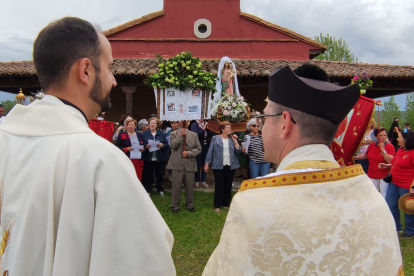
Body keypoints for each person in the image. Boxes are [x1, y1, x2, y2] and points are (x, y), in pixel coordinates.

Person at [0, 17, 175, 275]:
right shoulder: (101, 161)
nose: (114, 81)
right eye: (108, 67)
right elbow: (143, 262)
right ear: (85, 70)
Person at [202, 64, 402, 275]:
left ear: (285, 123)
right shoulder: (375, 202)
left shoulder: (253, 206)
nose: (260, 127)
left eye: (264, 118)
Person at [380, 129, 414, 239]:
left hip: (406, 185)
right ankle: (396, 227)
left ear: (406, 139)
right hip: (394, 182)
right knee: (390, 204)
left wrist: (413, 186)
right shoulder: (400, 149)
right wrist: (387, 166)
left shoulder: (413, 153)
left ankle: (410, 231)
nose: (397, 139)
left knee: (407, 207)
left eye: (400, 137)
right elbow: (396, 163)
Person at [204, 121, 240, 213]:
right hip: (218, 165)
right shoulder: (215, 138)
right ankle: (217, 205)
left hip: (231, 165)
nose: (230, 129)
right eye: (228, 128)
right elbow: (210, 151)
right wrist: (207, 163)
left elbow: (238, 151)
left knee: (228, 185)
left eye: (230, 127)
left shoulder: (232, 138)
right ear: (222, 129)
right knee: (219, 185)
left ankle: (226, 203)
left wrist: (236, 141)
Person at [167, 121, 201, 213]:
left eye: (186, 122)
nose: (184, 123)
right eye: (182, 122)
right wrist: (180, 136)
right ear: (178, 123)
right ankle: (175, 205)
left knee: (190, 186)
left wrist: (189, 153)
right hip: (177, 164)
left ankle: (189, 205)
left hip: (190, 163)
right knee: (176, 186)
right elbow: (173, 146)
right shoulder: (173, 134)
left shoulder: (194, 135)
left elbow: (199, 149)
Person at [353, 127, 395, 197]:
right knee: (373, 194)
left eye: (385, 135)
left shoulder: (390, 146)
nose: (383, 137)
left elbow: (390, 161)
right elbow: (366, 155)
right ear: (376, 136)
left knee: (383, 195)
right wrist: (354, 158)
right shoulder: (372, 145)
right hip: (372, 174)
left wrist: (383, 150)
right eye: (381, 135)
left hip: (384, 176)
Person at [141, 117, 169, 196]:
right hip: (148, 158)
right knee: (148, 175)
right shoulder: (144, 134)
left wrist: (162, 145)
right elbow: (141, 145)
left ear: (157, 125)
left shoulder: (162, 134)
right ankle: (148, 190)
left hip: (159, 158)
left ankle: (160, 189)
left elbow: (167, 145)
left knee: (160, 175)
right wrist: (146, 147)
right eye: (151, 123)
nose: (152, 124)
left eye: (154, 123)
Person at [191, 119, 210, 188]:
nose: (202, 118)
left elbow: (210, 134)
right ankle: (197, 180)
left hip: (206, 146)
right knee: (198, 164)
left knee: (205, 163)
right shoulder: (194, 124)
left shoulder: (206, 123)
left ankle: (203, 180)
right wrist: (204, 128)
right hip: (198, 147)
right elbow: (195, 135)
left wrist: (208, 127)